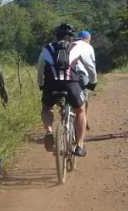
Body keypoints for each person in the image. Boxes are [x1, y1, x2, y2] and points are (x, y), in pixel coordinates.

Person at [37, 24, 98, 157]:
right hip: (71, 84)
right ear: (71, 37)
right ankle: (80, 145)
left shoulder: (47, 48)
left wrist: (41, 84)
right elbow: (89, 66)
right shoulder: (76, 47)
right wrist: (93, 82)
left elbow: (40, 68)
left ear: (56, 36)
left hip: (51, 85)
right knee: (80, 110)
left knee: (46, 108)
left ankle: (49, 131)